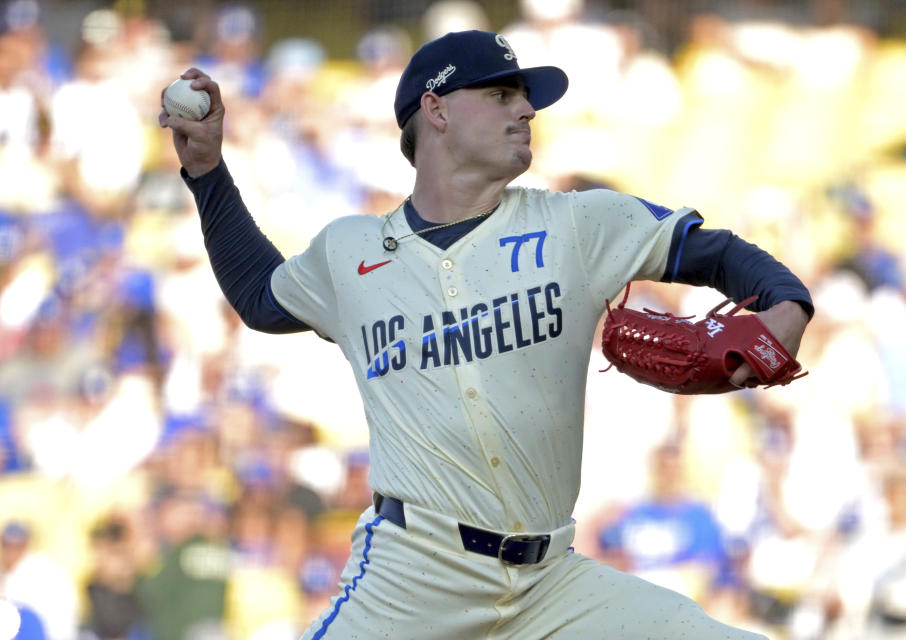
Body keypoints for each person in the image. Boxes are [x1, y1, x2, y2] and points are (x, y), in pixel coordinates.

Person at [160, 29, 812, 640]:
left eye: (527, 98)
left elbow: (717, 254)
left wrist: (788, 306)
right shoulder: (350, 253)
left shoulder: (580, 224)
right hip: (411, 579)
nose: (526, 109)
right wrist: (208, 173)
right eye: (502, 93)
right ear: (436, 110)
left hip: (551, 583)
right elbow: (258, 296)